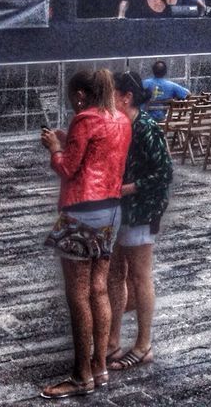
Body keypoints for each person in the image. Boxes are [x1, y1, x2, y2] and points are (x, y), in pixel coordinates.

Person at [39, 69, 131, 399]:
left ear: (79, 95)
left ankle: (80, 376)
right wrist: (69, 140)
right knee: (99, 289)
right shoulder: (120, 118)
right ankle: (99, 368)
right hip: (112, 210)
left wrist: (53, 147)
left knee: (78, 294)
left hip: (82, 211)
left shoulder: (85, 119)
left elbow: (68, 168)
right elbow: (99, 156)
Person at [106, 72, 173, 375]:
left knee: (140, 276)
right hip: (120, 209)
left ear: (126, 97)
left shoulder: (146, 127)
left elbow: (164, 174)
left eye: (112, 95)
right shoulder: (121, 125)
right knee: (115, 274)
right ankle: (112, 340)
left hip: (141, 209)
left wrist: (128, 188)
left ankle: (143, 343)